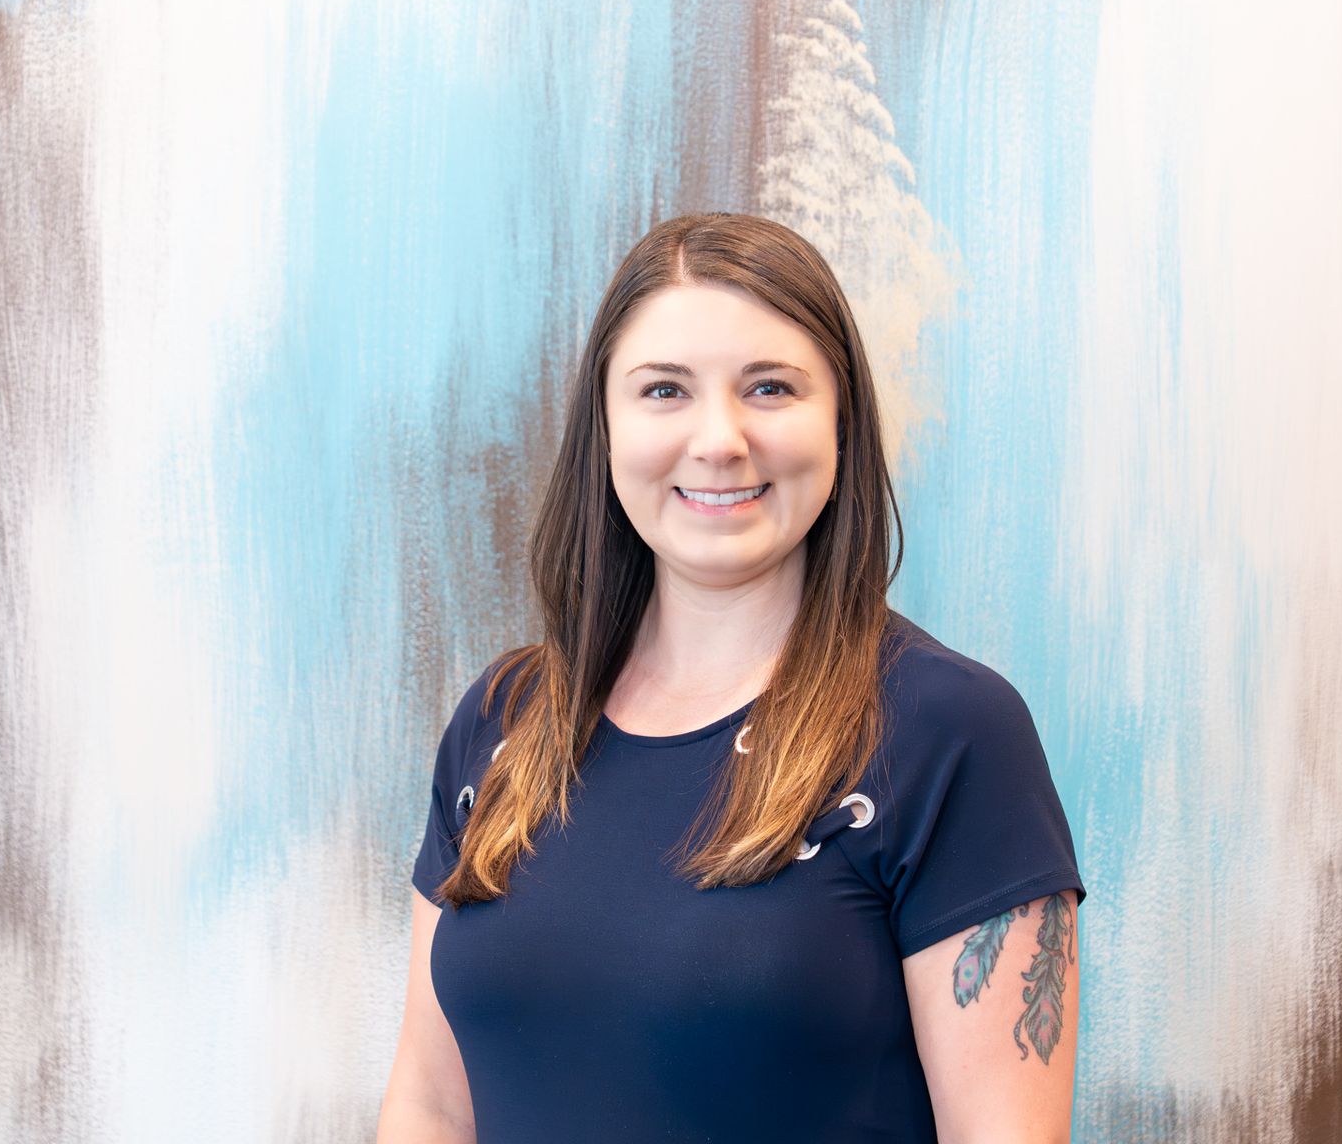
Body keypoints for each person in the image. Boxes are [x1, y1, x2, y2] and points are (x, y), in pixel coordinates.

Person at [377, 212, 1086, 1142]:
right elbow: (430, 1108)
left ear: (841, 419)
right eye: (665, 389)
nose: (719, 439)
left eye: (771, 388)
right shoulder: (505, 722)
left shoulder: (950, 734)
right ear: (606, 424)